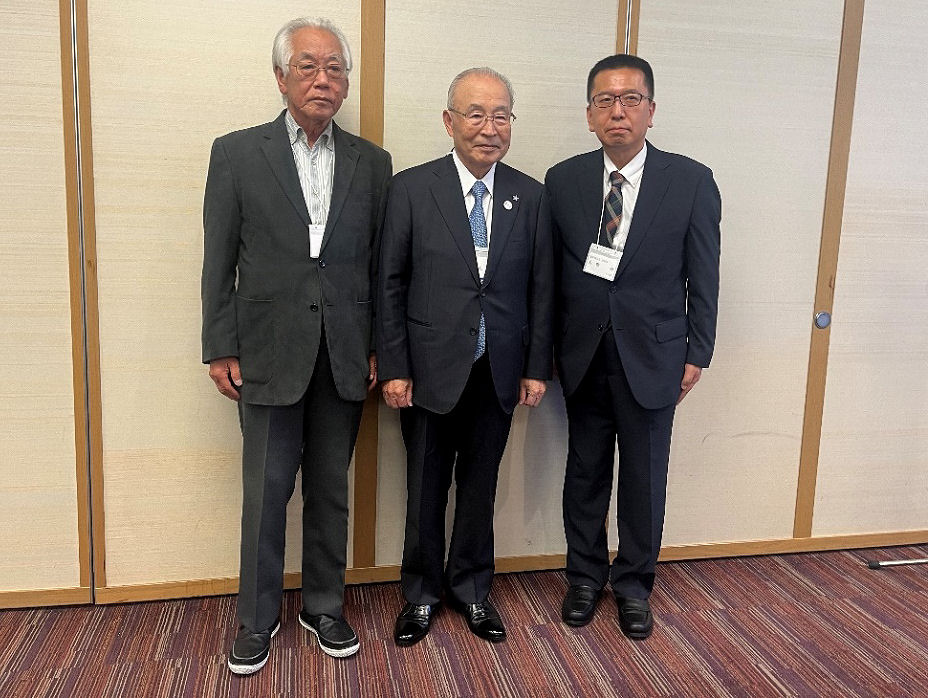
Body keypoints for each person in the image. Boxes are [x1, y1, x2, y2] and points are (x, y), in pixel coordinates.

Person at [200, 17, 391, 673]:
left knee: (331, 491)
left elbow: (379, 267)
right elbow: (219, 259)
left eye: (335, 68)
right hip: (266, 351)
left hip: (345, 352)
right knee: (265, 492)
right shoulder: (236, 153)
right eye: (308, 66)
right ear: (281, 77)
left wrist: (378, 347)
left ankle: (324, 606)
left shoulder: (373, 163)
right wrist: (219, 345)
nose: (323, 79)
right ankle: (257, 619)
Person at [546, 54, 720, 639]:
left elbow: (704, 274)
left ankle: (634, 585)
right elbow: (550, 276)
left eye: (630, 99)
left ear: (651, 109)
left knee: (644, 478)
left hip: (655, 355)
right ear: (589, 113)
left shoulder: (690, 181)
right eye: (605, 100)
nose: (617, 111)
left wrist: (697, 351)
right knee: (585, 472)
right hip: (582, 354)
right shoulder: (563, 180)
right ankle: (583, 578)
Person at [377, 67, 553, 646]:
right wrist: (395, 366)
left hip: (497, 369)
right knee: (425, 487)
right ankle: (421, 594)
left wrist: (535, 367)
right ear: (449, 121)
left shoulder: (531, 196)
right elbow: (390, 284)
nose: (489, 128)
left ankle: (473, 588)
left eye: (501, 115)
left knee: (481, 487)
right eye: (476, 114)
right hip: (427, 370)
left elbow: (541, 289)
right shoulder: (411, 188)